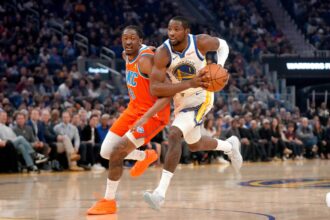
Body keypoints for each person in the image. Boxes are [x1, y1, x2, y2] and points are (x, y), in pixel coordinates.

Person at [142, 16, 242, 210]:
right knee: (194, 144)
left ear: (186, 31)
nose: (171, 33)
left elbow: (223, 45)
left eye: (176, 29)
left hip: (201, 95)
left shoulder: (201, 42)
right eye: (169, 29)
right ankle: (229, 146)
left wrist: (219, 66)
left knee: (174, 134)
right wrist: (188, 83)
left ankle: (160, 193)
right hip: (181, 98)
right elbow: (155, 89)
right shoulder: (163, 53)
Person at [87, 25, 170, 215]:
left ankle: (109, 201)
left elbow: (167, 94)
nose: (129, 41)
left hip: (153, 115)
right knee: (106, 151)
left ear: (140, 40)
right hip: (134, 109)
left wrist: (147, 116)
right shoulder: (126, 55)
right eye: (125, 38)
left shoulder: (145, 61)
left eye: (133, 38)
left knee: (116, 153)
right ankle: (145, 156)